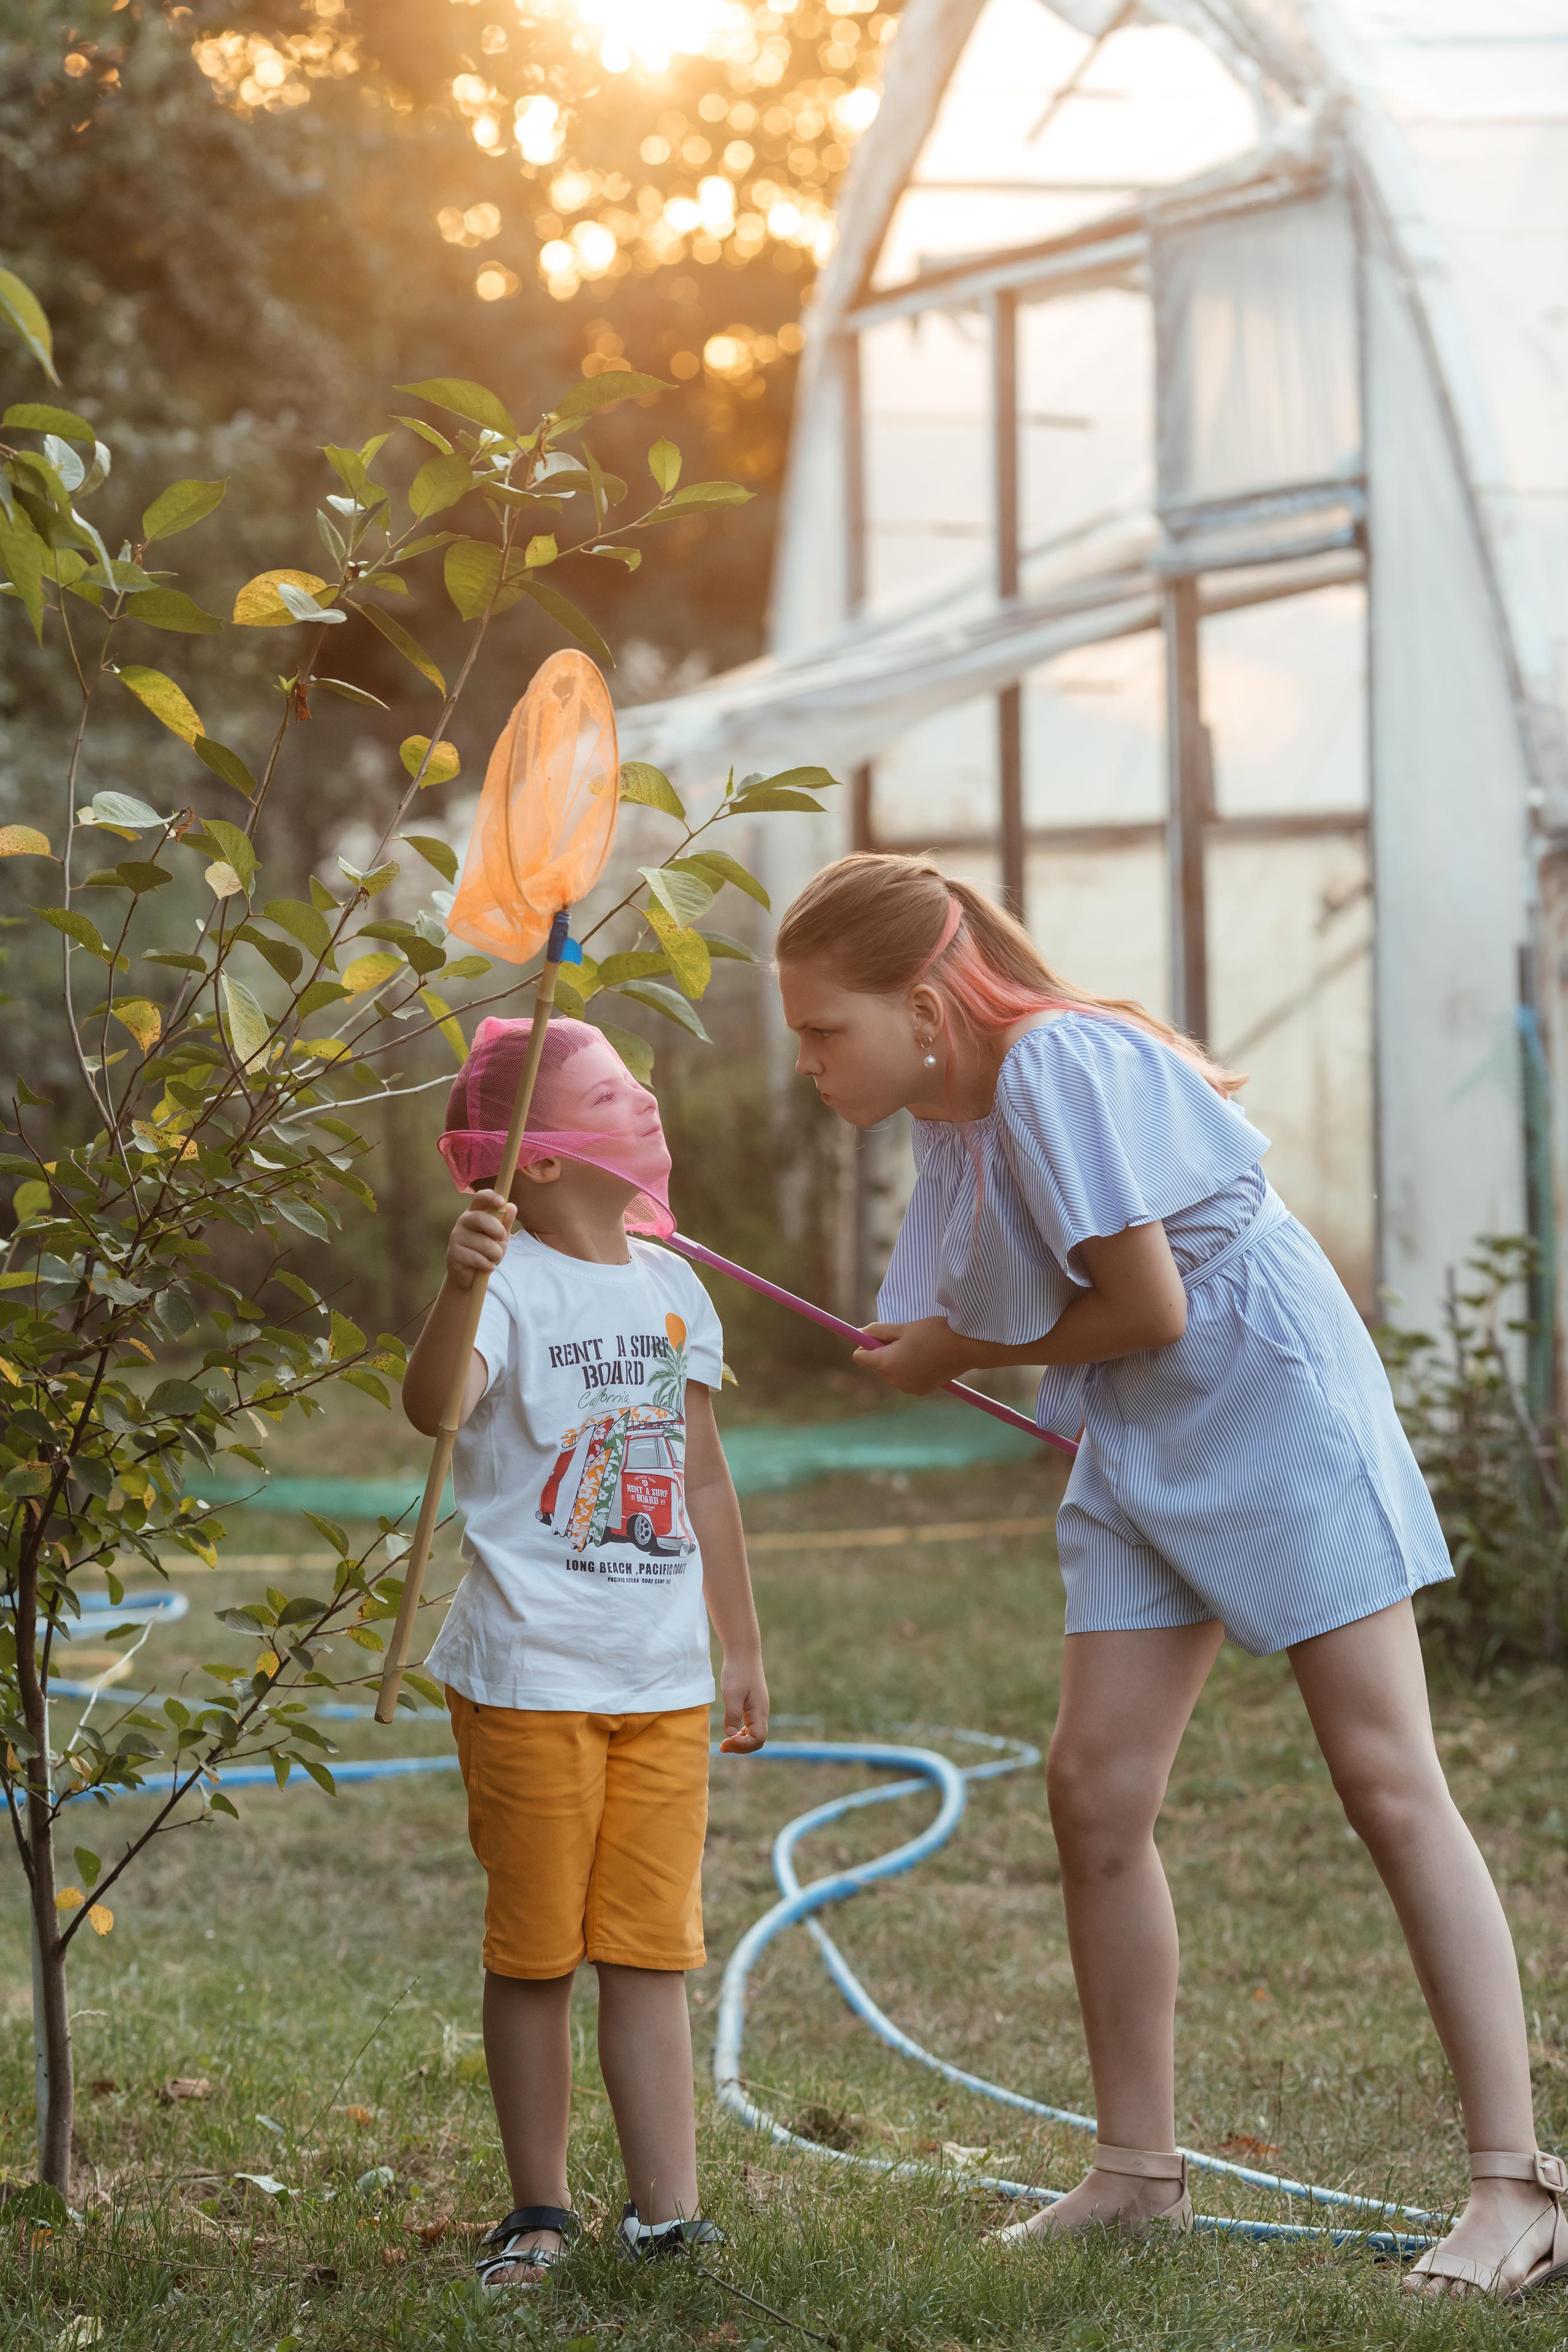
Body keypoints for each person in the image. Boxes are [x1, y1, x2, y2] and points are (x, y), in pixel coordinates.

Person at [772, 851, 1568, 2302]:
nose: (810, 1062)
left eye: (828, 1030)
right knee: (1092, 1789)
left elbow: (1148, 1300)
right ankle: (1136, 2173)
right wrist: (932, 1347)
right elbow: (1005, 1303)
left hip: (1265, 1399)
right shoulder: (951, 1114)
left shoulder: (1055, 1063)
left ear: (926, 1005)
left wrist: (957, 1352)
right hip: (1144, 1430)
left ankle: (1516, 2187)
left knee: (1387, 1779)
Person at [402, 1015, 769, 2291]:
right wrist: (455, 1288)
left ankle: (666, 2210)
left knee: (652, 1948)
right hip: (532, 1677)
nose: (646, 1099)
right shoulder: (504, 1284)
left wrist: (737, 1644)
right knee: (537, 1950)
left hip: (659, 1683)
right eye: (612, 1089)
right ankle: (541, 2208)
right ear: (540, 1155)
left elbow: (708, 1482)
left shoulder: (674, 1287)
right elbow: (434, 1409)